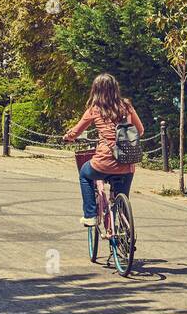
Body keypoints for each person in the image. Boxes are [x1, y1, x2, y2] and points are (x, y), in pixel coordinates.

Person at [62, 73, 144, 226]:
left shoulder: (95, 109)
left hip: (103, 162)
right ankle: (125, 231)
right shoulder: (127, 106)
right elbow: (140, 130)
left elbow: (76, 131)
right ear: (115, 88)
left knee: (85, 175)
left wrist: (68, 137)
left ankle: (90, 215)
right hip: (127, 163)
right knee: (122, 197)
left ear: (96, 90)